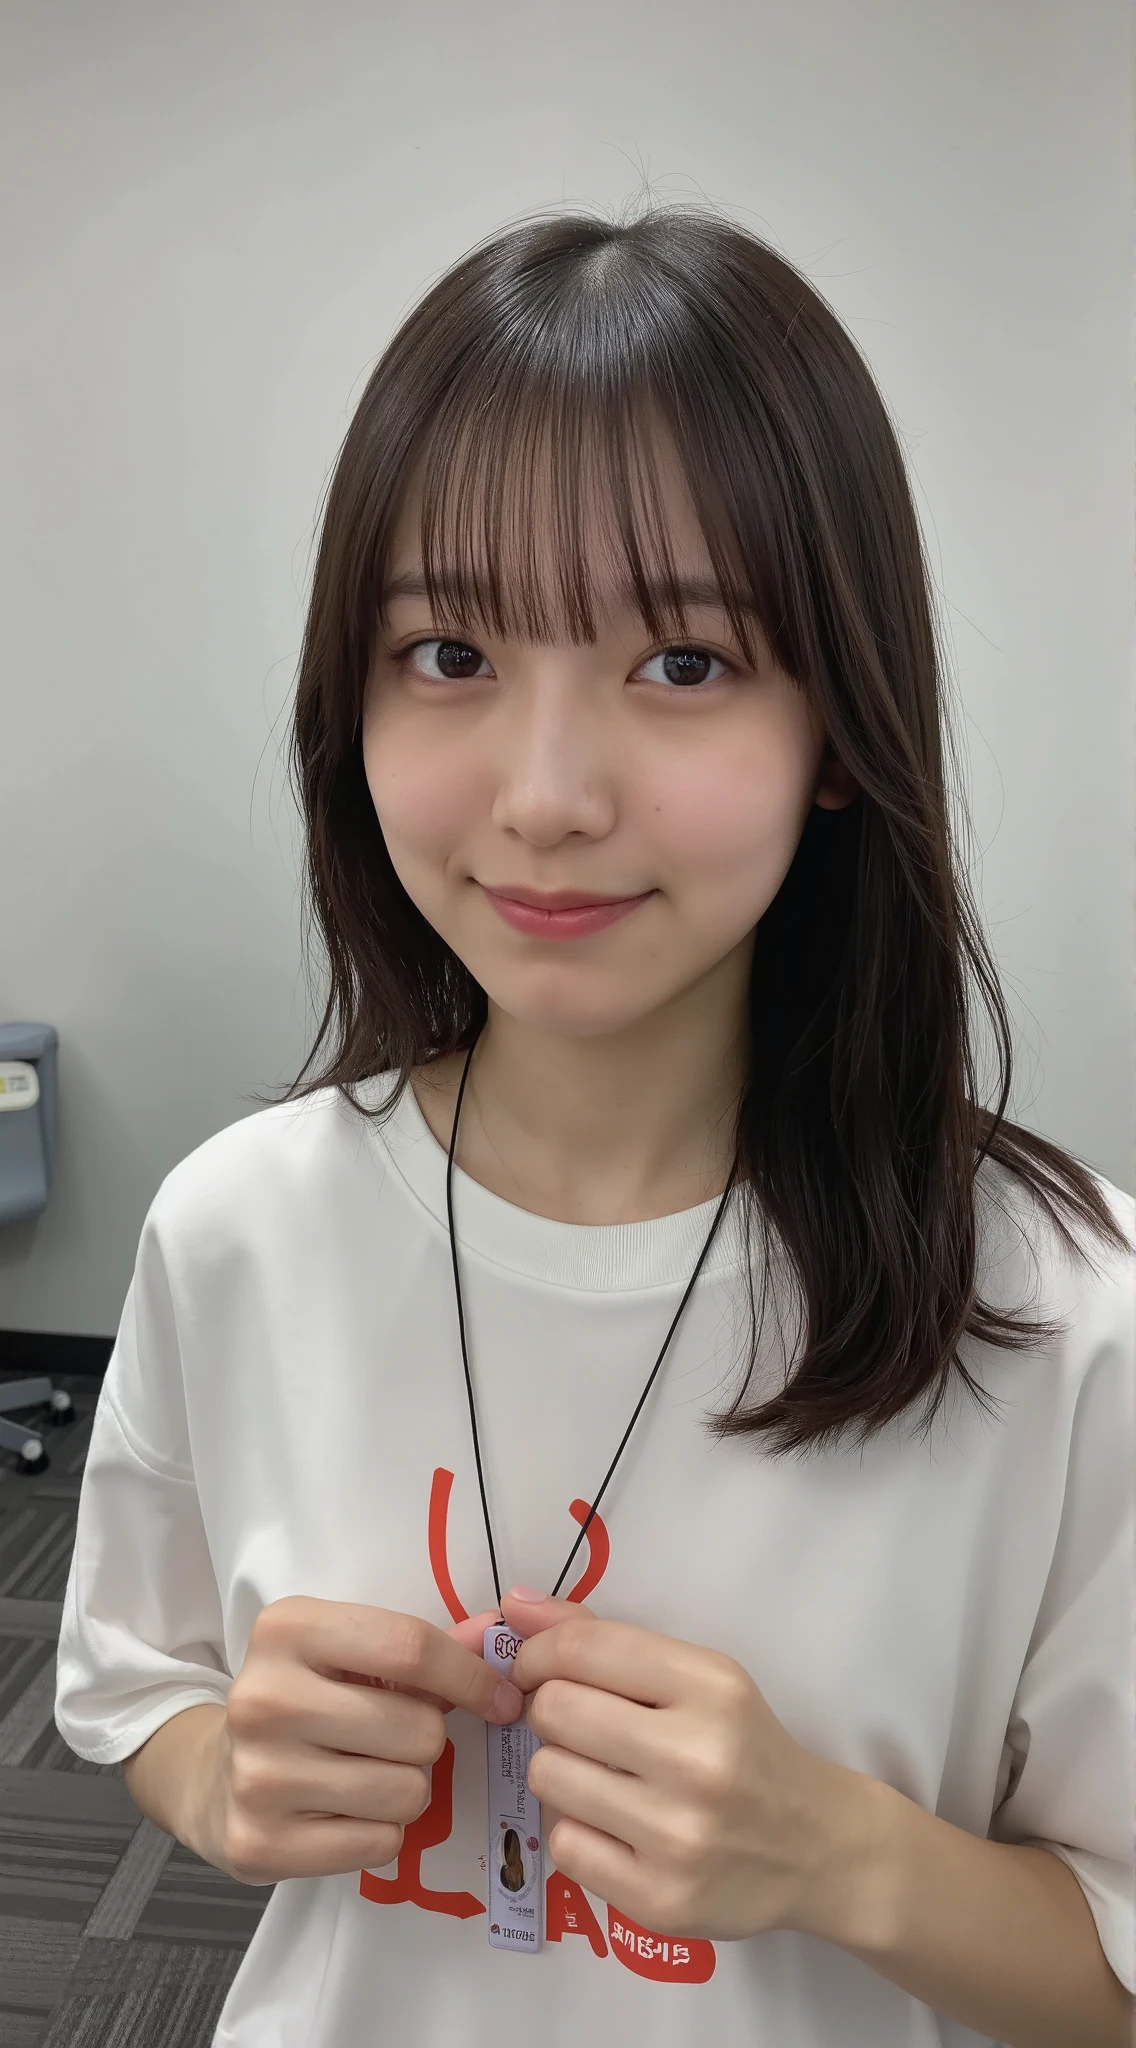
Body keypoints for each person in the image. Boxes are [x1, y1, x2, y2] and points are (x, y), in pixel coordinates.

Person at [54, 205, 1132, 2048]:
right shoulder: (236, 1227)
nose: (545, 798)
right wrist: (227, 1781)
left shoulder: (1062, 1312)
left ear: (841, 726)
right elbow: (136, 1685)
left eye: (686, 663)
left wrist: (834, 1855)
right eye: (451, 655)